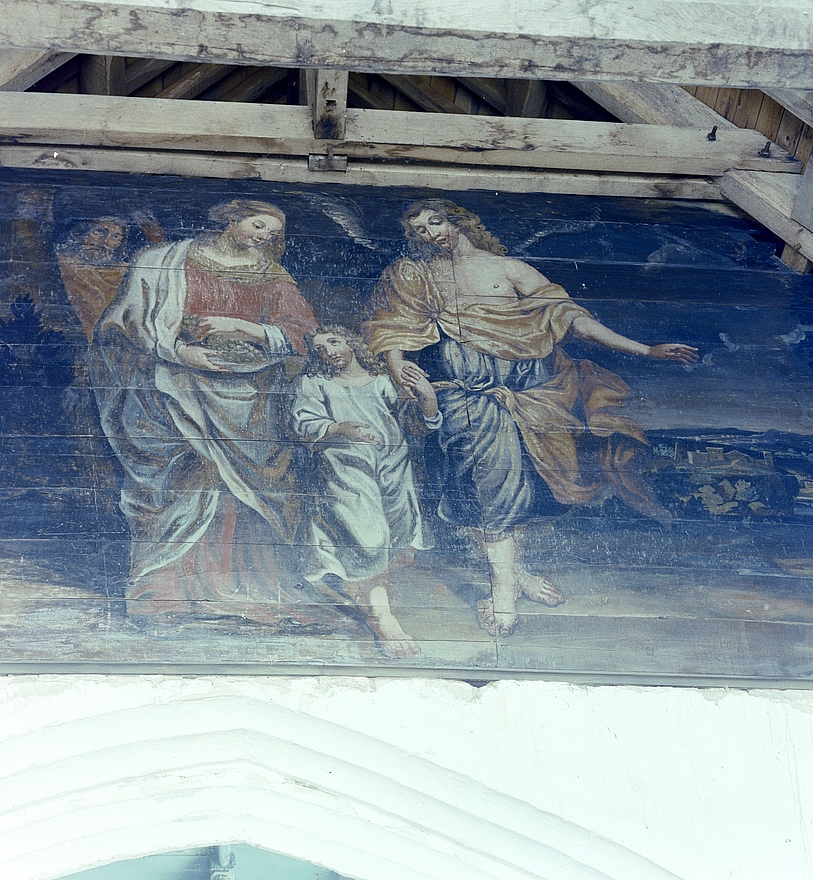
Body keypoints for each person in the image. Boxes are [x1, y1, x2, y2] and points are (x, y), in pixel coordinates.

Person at [363, 199, 699, 637]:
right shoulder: (415, 275)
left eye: (436, 222)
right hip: (467, 400)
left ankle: (514, 573)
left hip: (534, 396)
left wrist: (645, 349)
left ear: (459, 221)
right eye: (420, 230)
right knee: (489, 490)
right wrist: (396, 366)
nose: (431, 233)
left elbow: (574, 321)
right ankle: (502, 590)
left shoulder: (510, 269)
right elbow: (392, 326)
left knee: (527, 488)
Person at [91, 199, 321, 626]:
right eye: (258, 226)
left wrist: (246, 328)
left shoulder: (271, 274)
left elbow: (303, 335)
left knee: (248, 490)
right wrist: (179, 352)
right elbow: (125, 322)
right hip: (174, 390)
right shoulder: (163, 260)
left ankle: (248, 586)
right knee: (190, 478)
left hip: (252, 397)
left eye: (272, 233)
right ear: (231, 219)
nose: (264, 237)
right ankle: (167, 590)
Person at [291, 326, 441, 657]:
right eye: (320, 349)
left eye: (334, 342)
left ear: (352, 344)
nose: (329, 351)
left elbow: (416, 423)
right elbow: (303, 423)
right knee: (369, 536)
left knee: (392, 533)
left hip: (392, 465)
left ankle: (375, 600)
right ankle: (383, 616)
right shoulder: (314, 383)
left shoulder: (384, 382)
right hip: (343, 465)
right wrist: (340, 428)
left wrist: (428, 398)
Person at [57, 214, 164, 341]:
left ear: (121, 243)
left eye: (115, 237)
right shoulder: (62, 263)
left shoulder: (127, 271)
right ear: (84, 232)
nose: (104, 241)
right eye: (98, 231)